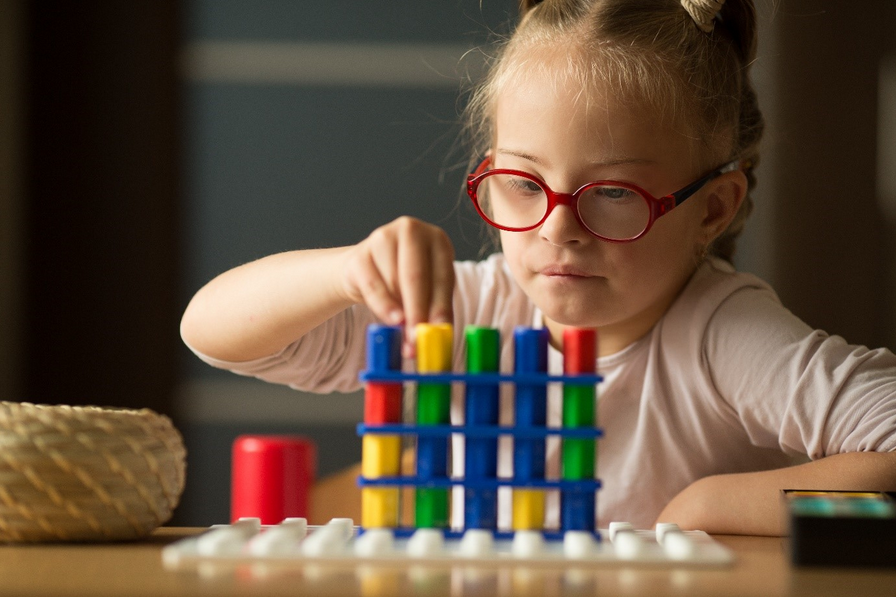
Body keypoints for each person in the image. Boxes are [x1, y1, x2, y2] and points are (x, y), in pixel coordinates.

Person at [180, 0, 896, 535]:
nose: (558, 228)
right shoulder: (466, 310)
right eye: (524, 185)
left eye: (612, 194)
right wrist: (347, 270)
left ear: (711, 209)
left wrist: (713, 503)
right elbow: (213, 331)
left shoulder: (717, 334)